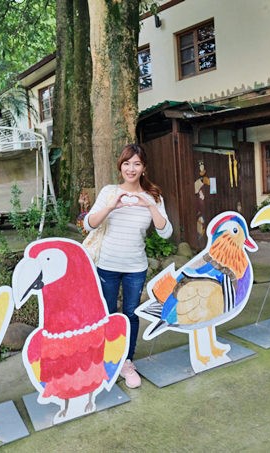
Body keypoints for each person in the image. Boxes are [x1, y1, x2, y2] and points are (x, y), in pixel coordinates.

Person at [83, 143, 173, 388]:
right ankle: (107, 359)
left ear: (144, 168)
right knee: (108, 314)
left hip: (136, 266)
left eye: (136, 164)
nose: (131, 168)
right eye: (126, 163)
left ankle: (126, 361)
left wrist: (150, 205)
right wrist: (112, 205)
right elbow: (89, 224)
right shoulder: (109, 191)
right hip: (107, 265)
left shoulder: (153, 196)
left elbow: (166, 233)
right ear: (120, 167)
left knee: (131, 314)